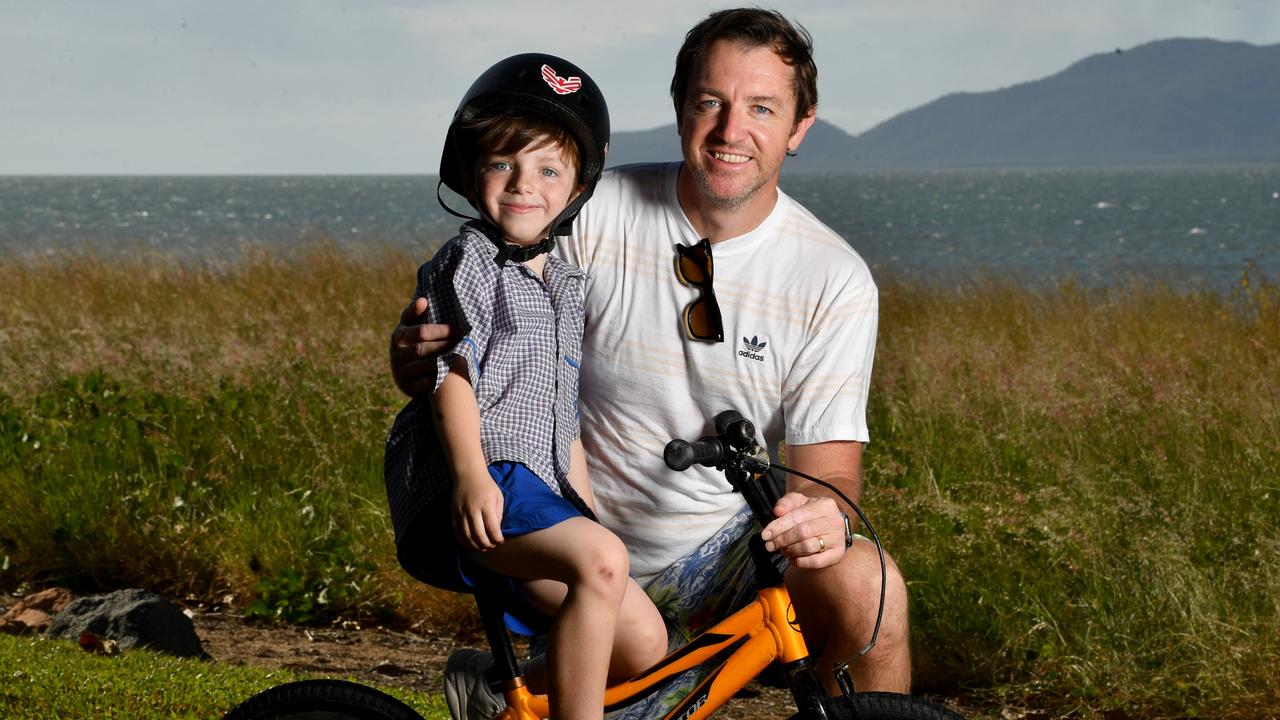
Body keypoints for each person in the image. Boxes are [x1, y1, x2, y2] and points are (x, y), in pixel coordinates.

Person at [390, 8, 912, 716]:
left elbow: (830, 473)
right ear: (680, 110)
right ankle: (517, 688)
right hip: (577, 537)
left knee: (867, 583)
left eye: (762, 108)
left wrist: (821, 517)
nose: (732, 130)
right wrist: (417, 354)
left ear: (799, 126)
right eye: (710, 103)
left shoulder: (833, 278)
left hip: (722, 554)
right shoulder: (585, 209)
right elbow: (475, 326)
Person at [383, 53, 667, 720]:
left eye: (548, 169)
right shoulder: (467, 262)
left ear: (575, 188)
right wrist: (471, 474)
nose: (522, 184)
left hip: (540, 489)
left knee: (644, 639)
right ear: (472, 167)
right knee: (600, 561)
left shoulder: (567, 289)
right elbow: (453, 372)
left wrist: (588, 518)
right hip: (487, 479)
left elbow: (562, 422)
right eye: (503, 162)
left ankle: (497, 697)